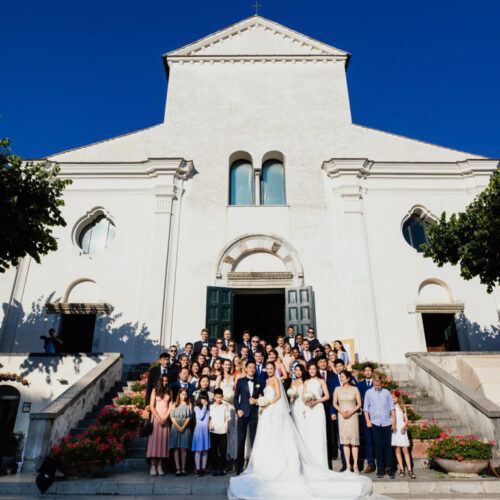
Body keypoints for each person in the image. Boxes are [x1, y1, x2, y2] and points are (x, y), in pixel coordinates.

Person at [227, 362, 373, 500]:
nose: (270, 371)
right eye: (268, 369)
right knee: (266, 438)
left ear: (275, 370)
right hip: (265, 412)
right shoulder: (263, 381)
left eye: (272, 369)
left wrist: (267, 404)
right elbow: (261, 396)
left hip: (272, 409)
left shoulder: (277, 381)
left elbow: (278, 396)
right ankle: (262, 465)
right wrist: (261, 402)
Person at [363, 375, 396, 479]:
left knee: (387, 446)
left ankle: (389, 468)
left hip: (387, 422)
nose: (378, 387)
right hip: (375, 423)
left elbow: (392, 408)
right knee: (378, 446)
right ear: (373, 383)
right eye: (376, 385)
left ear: (382, 384)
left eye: (379, 385)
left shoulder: (386, 392)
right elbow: (365, 409)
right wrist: (368, 421)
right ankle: (380, 468)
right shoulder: (368, 393)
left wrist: (394, 422)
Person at [233, 361, 262, 475]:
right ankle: (239, 467)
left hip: (254, 414)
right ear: (246, 369)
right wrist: (237, 410)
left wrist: (257, 401)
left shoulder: (258, 382)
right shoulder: (240, 381)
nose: (251, 369)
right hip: (242, 413)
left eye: (254, 368)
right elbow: (235, 398)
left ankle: (254, 466)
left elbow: (261, 396)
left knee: (254, 440)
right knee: (241, 440)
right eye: (250, 367)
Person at [328, 359, 357, 471]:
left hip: (351, 412)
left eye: (341, 365)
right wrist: (333, 412)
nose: (339, 368)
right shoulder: (332, 380)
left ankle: (354, 463)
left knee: (353, 438)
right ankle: (345, 463)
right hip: (339, 412)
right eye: (337, 366)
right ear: (335, 367)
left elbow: (356, 393)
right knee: (342, 438)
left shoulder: (352, 379)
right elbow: (332, 398)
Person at [301, 361, 330, 467]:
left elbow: (327, 396)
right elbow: (303, 397)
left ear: (316, 370)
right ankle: (310, 463)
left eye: (314, 369)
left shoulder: (321, 381)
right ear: (308, 370)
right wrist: (307, 402)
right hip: (309, 409)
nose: (312, 371)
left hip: (318, 408)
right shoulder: (306, 382)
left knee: (319, 434)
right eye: (310, 369)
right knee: (310, 434)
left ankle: (321, 463)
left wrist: (316, 401)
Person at [333, 370, 362, 473]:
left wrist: (351, 412)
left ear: (348, 378)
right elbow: (335, 403)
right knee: (345, 442)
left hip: (353, 416)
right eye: (340, 377)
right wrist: (342, 412)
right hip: (342, 416)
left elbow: (359, 404)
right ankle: (348, 465)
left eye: (343, 377)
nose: (341, 378)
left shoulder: (355, 389)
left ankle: (355, 465)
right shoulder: (337, 389)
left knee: (354, 442)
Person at [146, 374, 172, 476]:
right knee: (154, 442)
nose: (165, 383)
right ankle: (153, 466)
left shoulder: (169, 391)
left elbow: (171, 405)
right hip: (156, 418)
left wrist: (165, 418)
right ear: (159, 381)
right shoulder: (154, 391)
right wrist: (158, 419)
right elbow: (152, 406)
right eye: (163, 381)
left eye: (166, 381)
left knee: (163, 443)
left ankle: (160, 465)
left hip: (165, 418)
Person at [356, 364, 376, 473]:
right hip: (365, 415)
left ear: (372, 372)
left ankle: (383, 463)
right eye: (366, 370)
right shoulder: (360, 385)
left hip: (377, 415)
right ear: (363, 373)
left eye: (369, 370)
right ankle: (370, 463)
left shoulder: (376, 384)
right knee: (368, 439)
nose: (368, 372)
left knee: (378, 439)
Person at [391, 390, 415, 479]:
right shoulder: (390, 407)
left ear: (398, 398)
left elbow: (406, 420)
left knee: (405, 450)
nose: (393, 399)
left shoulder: (402, 407)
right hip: (395, 429)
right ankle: (401, 469)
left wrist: (404, 427)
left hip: (402, 429)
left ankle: (410, 469)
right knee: (397, 450)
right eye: (392, 398)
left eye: (394, 397)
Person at [217, 358, 237, 461]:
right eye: (226, 364)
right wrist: (224, 398)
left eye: (229, 365)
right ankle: (222, 455)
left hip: (231, 404)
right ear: (223, 366)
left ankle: (231, 454)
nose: (228, 366)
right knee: (223, 429)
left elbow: (236, 390)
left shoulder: (233, 377)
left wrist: (231, 398)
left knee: (231, 430)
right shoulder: (220, 377)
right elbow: (217, 391)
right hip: (223, 404)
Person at [169, 388, 193, 476]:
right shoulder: (174, 404)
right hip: (175, 427)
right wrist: (178, 427)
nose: (184, 396)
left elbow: (189, 417)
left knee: (183, 448)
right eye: (182, 394)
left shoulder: (189, 404)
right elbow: (172, 417)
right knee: (176, 448)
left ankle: (183, 468)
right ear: (179, 394)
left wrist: (183, 427)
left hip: (185, 427)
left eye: (185, 394)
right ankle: (177, 468)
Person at [210, 388, 230, 476]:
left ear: (222, 397)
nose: (218, 399)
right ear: (214, 397)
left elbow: (227, 418)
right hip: (214, 431)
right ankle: (214, 468)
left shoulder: (225, 407)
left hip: (222, 431)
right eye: (217, 397)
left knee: (223, 451)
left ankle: (222, 468)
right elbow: (210, 418)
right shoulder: (211, 407)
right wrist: (210, 425)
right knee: (214, 451)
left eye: (220, 397)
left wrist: (226, 428)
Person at [192, 391, 211, 476]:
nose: (203, 400)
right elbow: (200, 416)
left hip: (205, 430)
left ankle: (203, 468)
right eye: (202, 398)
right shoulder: (197, 407)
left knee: (205, 450)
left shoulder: (208, 408)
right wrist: (204, 407)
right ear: (199, 398)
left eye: (205, 398)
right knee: (198, 450)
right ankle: (198, 468)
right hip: (199, 431)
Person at [289, 364, 307, 429]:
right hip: (294, 406)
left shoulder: (305, 382)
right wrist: (292, 397)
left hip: (303, 405)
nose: (298, 372)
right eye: (296, 370)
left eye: (300, 370)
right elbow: (291, 398)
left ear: (303, 371)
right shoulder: (292, 383)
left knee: (303, 425)